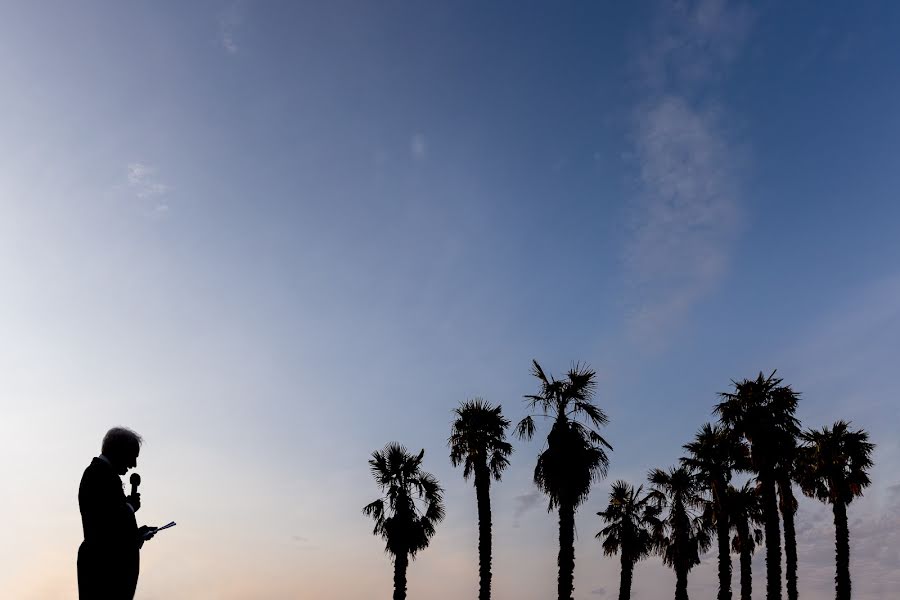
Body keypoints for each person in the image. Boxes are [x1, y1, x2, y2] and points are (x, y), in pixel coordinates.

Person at [77, 427, 156, 599]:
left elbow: (112, 529)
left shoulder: (102, 475)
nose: (133, 465)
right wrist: (129, 507)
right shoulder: (98, 475)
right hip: (104, 574)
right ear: (119, 451)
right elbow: (105, 526)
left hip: (107, 571)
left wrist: (136, 535)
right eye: (132, 456)